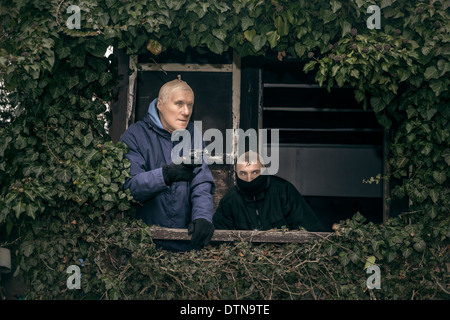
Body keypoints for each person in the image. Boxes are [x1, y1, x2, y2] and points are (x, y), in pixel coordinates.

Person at [120, 77, 215, 252]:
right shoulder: (135, 135)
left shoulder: (193, 133)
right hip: (145, 246)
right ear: (160, 105)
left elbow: (201, 182)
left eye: (190, 105)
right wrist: (165, 175)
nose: (186, 111)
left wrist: (203, 217)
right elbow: (129, 188)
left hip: (186, 244)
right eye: (179, 104)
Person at [213, 151, 324, 232]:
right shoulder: (229, 202)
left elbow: (311, 229)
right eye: (243, 173)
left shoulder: (283, 191)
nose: (249, 179)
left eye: (255, 172)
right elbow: (220, 240)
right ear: (236, 174)